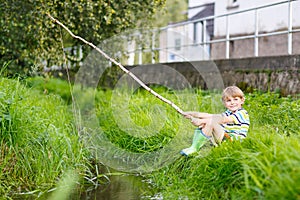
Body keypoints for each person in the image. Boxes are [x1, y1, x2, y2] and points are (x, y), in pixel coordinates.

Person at [180, 86, 250, 156]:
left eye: (235, 99)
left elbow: (223, 120)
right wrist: (191, 113)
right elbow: (211, 115)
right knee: (206, 124)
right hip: (225, 137)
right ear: (224, 103)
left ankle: (195, 148)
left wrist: (200, 121)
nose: (232, 102)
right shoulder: (228, 112)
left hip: (234, 141)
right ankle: (194, 147)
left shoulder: (242, 113)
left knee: (211, 122)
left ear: (242, 100)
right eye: (229, 100)